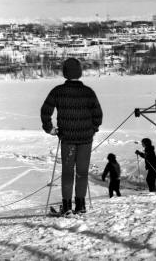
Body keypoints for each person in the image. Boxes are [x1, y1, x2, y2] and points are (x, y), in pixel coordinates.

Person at [41, 58, 103, 215]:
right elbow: (98, 115)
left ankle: (67, 206)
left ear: (65, 73)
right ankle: (81, 206)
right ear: (80, 73)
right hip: (85, 139)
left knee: (68, 172)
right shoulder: (88, 92)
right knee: (82, 172)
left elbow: (45, 111)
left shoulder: (57, 91)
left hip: (67, 138)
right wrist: (92, 129)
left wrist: (50, 129)